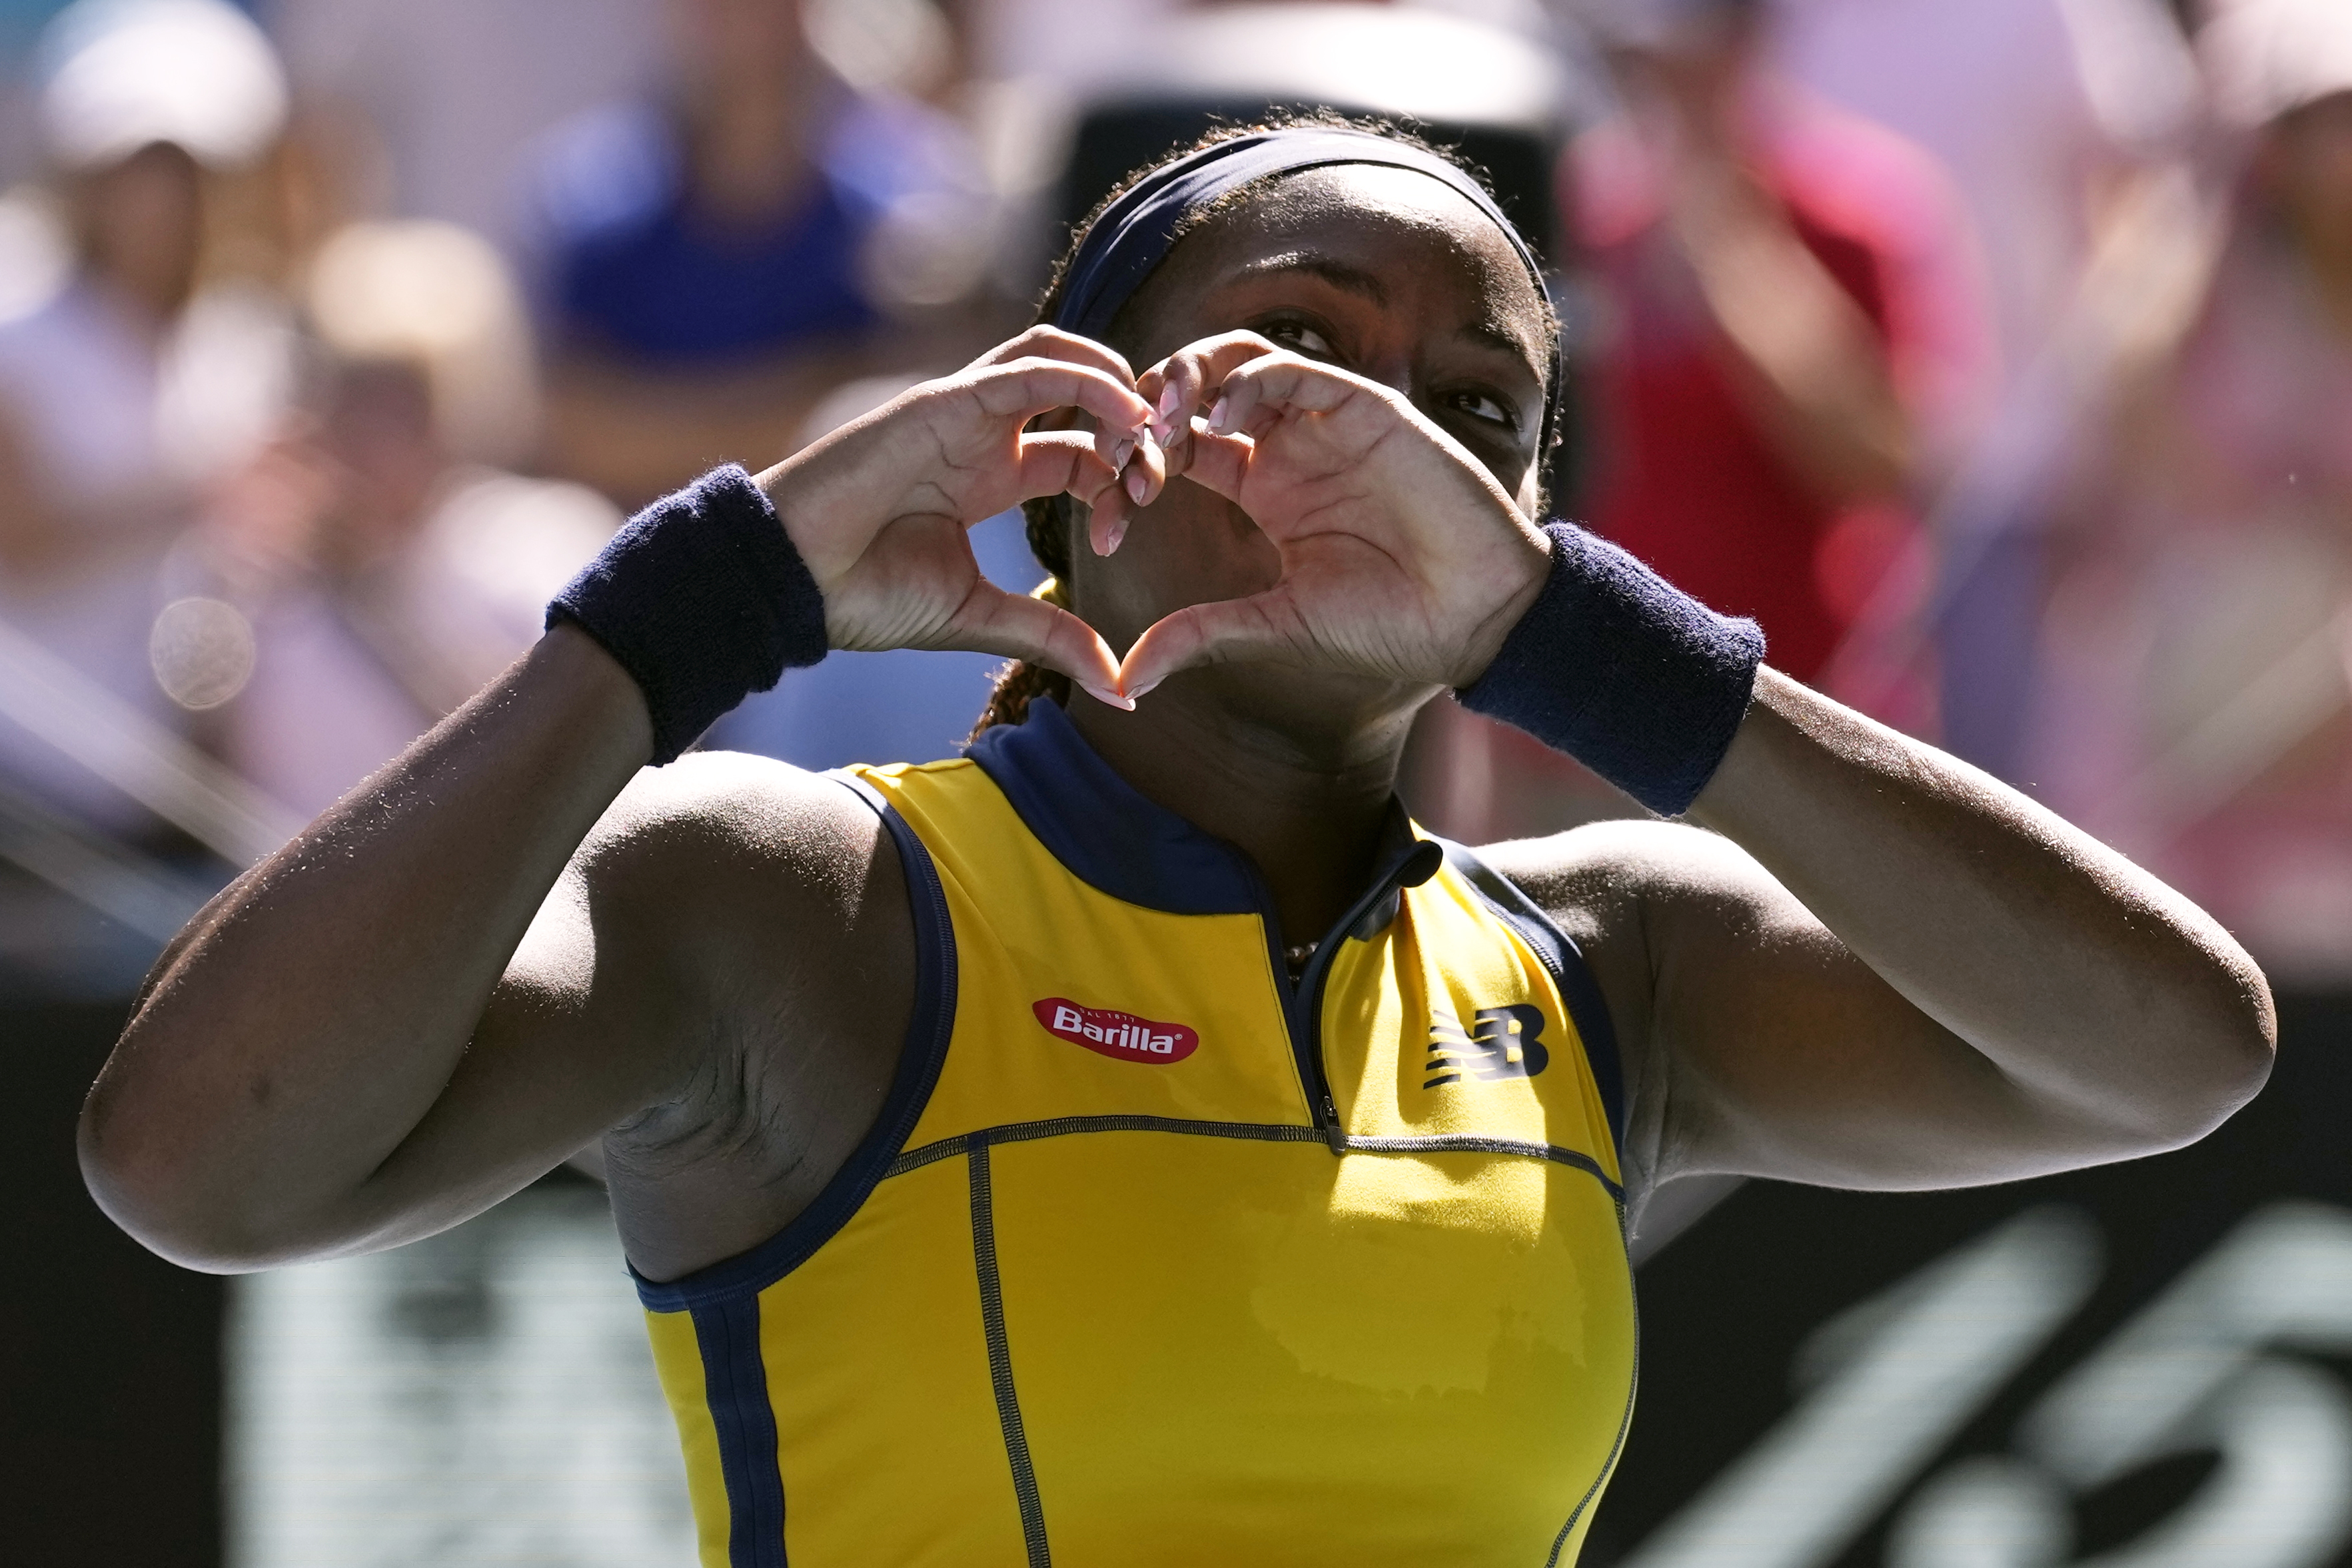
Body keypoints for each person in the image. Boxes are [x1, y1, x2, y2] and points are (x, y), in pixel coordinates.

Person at [80, 119, 2271, 1565]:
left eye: (1473, 412)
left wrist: (1575, 643)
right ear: (1070, 445)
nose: (1379, 440)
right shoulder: (797, 898)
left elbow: (2177, 1051)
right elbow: (194, 1159)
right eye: (1295, 349)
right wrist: (699, 607)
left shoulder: (1618, 968)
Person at [2024, 0, 2352, 986]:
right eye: (2312, 120)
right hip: (2190, 817)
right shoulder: (2201, 308)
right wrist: (2200, 188)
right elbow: (2119, 401)